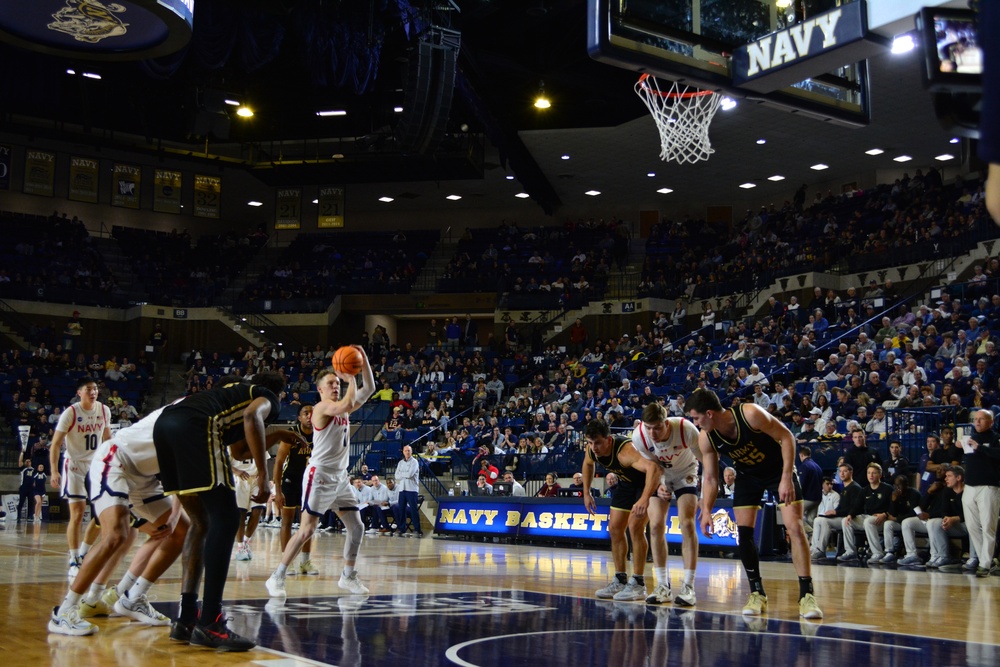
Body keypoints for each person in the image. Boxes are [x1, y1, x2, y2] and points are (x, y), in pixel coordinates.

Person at [154, 372, 308, 650]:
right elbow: (252, 418)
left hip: (165, 425)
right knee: (225, 519)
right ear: (278, 393)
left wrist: (277, 435)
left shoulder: (229, 395)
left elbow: (238, 451)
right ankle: (211, 621)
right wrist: (263, 474)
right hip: (197, 427)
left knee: (200, 522)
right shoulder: (267, 397)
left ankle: (186, 618)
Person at [48, 405, 190, 636]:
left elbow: (181, 480)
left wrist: (173, 518)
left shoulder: (189, 430)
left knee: (176, 530)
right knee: (117, 534)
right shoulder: (190, 417)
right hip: (113, 463)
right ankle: (66, 609)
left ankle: (127, 596)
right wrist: (138, 519)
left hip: (142, 477)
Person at [687, 389, 822, 619]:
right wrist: (707, 509)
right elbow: (710, 477)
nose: (696, 424)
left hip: (778, 469)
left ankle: (806, 595)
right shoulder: (706, 437)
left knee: (794, 527)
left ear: (709, 413)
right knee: (745, 532)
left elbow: (787, 437)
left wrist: (786, 477)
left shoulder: (749, 414)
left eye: (696, 419)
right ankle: (757, 593)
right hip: (748, 475)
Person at [265, 350, 376, 599]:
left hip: (339, 478)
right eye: (331, 383)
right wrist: (350, 377)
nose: (336, 386)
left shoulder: (342, 407)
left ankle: (348, 575)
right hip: (320, 476)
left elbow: (369, 389)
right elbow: (347, 402)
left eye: (337, 383)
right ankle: (277, 576)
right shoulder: (321, 408)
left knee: (357, 527)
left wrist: (363, 360)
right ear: (320, 389)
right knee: (306, 530)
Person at [581, 418, 661, 602]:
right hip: (626, 483)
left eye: (598, 443)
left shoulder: (626, 451)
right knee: (615, 528)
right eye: (591, 443)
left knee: (635, 527)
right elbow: (587, 464)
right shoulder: (592, 449)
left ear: (608, 440)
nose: (594, 447)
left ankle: (639, 584)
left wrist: (644, 498)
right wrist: (586, 492)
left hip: (647, 483)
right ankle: (620, 578)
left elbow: (653, 469)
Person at [630, 403, 701, 606]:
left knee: (687, 524)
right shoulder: (639, 436)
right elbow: (650, 467)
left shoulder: (685, 428)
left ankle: (688, 587)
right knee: (655, 525)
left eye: (657, 427)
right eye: (648, 427)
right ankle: (662, 586)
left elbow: (703, 456)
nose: (652, 432)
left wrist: (709, 488)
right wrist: (659, 484)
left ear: (666, 422)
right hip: (659, 474)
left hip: (685, 471)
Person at [50, 377, 112, 580]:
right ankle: (73, 558)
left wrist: (111, 464)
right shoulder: (71, 413)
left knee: (101, 515)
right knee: (77, 514)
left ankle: (84, 553)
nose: (93, 392)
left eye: (95, 388)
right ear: (80, 392)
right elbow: (56, 444)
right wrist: (54, 471)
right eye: (89, 389)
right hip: (75, 466)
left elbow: (107, 439)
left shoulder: (104, 410)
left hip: (95, 467)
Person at [271, 404, 318, 573]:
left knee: (308, 523)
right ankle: (287, 560)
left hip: (310, 482)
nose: (309, 416)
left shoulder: (319, 433)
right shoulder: (291, 434)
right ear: (299, 417)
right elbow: (278, 462)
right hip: (290, 481)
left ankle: (305, 562)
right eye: (306, 413)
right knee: (287, 522)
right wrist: (277, 490)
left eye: (312, 413)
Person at [961, 409, 1000, 577]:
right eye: (975, 419)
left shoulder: (996, 438)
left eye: (981, 419)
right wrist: (957, 446)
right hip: (969, 486)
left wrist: (980, 448)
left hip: (989, 487)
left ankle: (984, 564)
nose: (977, 422)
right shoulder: (971, 438)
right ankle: (988, 560)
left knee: (988, 527)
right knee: (971, 526)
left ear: (990, 422)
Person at [838, 463, 894, 564]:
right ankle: (850, 552)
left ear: (880, 475)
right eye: (869, 473)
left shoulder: (888, 489)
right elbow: (857, 506)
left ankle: (877, 553)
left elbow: (893, 506)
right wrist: (850, 515)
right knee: (845, 521)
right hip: (869, 518)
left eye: (874, 473)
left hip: (883, 518)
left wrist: (885, 514)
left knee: (868, 521)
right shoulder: (865, 490)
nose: (871, 475)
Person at [394, 445, 423, 536]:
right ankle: (402, 529)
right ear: (403, 452)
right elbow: (396, 476)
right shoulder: (400, 463)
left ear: (411, 452)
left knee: (414, 510)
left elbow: (410, 474)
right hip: (402, 489)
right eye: (406, 450)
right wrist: (404, 474)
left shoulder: (414, 462)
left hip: (412, 489)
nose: (407, 452)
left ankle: (417, 530)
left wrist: (402, 474)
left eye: (409, 451)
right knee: (401, 509)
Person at [797, 447, 824, 533]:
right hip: (818, 498)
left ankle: (811, 532)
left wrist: (798, 496)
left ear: (801, 455)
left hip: (808, 498)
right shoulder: (817, 466)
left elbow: (802, 484)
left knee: (796, 515)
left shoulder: (804, 466)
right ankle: (815, 540)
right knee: (811, 520)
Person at [17, 455, 35, 523]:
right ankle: (19, 516)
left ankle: (30, 516)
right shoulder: (23, 469)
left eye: (29, 461)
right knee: (21, 502)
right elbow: (20, 461)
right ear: (25, 463)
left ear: (31, 462)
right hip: (23, 487)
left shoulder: (34, 469)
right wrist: (21, 453)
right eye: (26, 461)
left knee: (31, 502)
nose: (28, 462)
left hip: (31, 488)